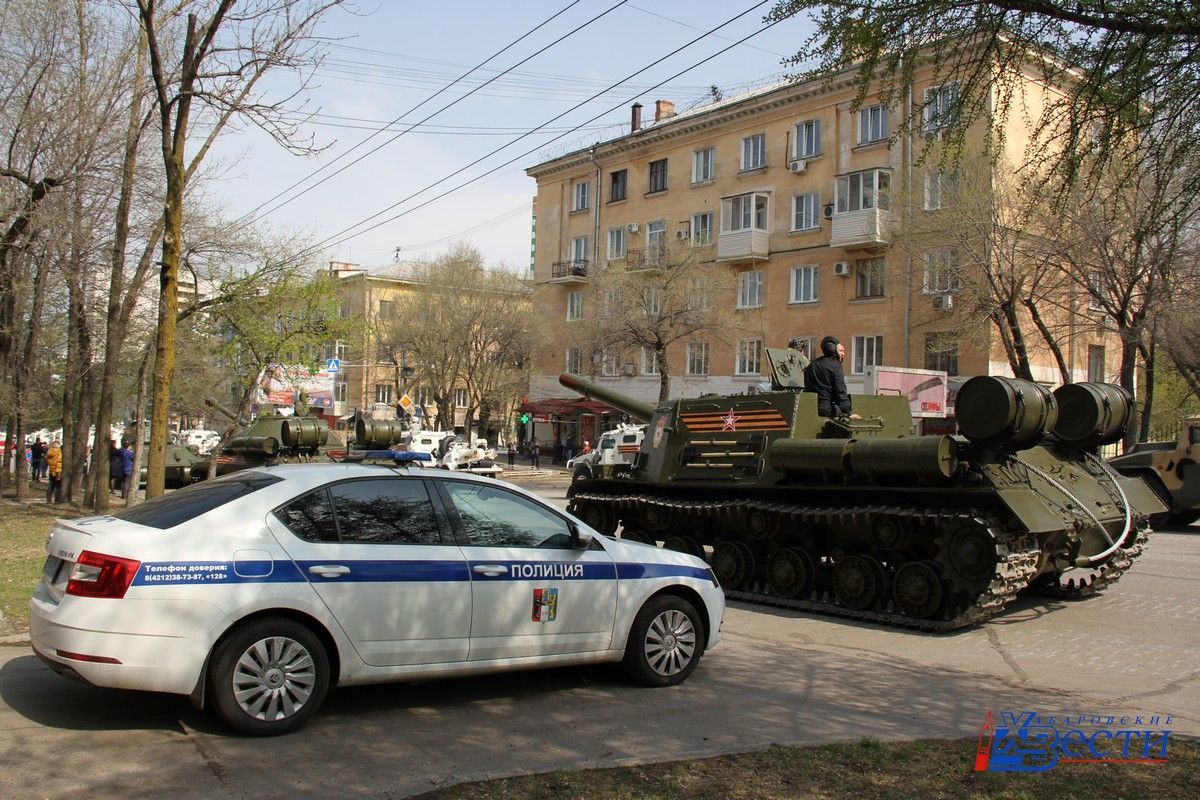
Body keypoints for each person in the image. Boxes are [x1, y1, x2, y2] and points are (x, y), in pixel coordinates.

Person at [803, 335, 854, 418]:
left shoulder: (812, 364)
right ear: (833, 350)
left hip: (809, 407)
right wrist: (848, 412)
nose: (843, 354)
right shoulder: (835, 366)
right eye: (841, 351)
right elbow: (840, 390)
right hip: (826, 409)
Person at [45, 439, 63, 503]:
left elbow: (47, 460)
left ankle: (48, 499)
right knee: (57, 486)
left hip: (51, 470)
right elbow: (58, 463)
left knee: (51, 485)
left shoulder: (49, 451)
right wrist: (59, 473)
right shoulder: (58, 452)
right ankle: (57, 499)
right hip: (57, 471)